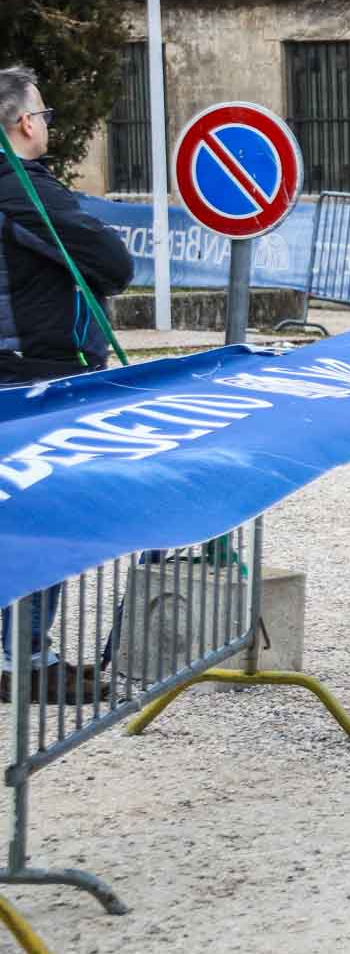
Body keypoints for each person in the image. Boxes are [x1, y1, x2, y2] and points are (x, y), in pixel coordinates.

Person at [0, 65, 135, 703]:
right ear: (25, 123)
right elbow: (113, 262)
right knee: (42, 514)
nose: (48, 124)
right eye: (45, 114)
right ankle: (27, 660)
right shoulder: (20, 188)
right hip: (37, 373)